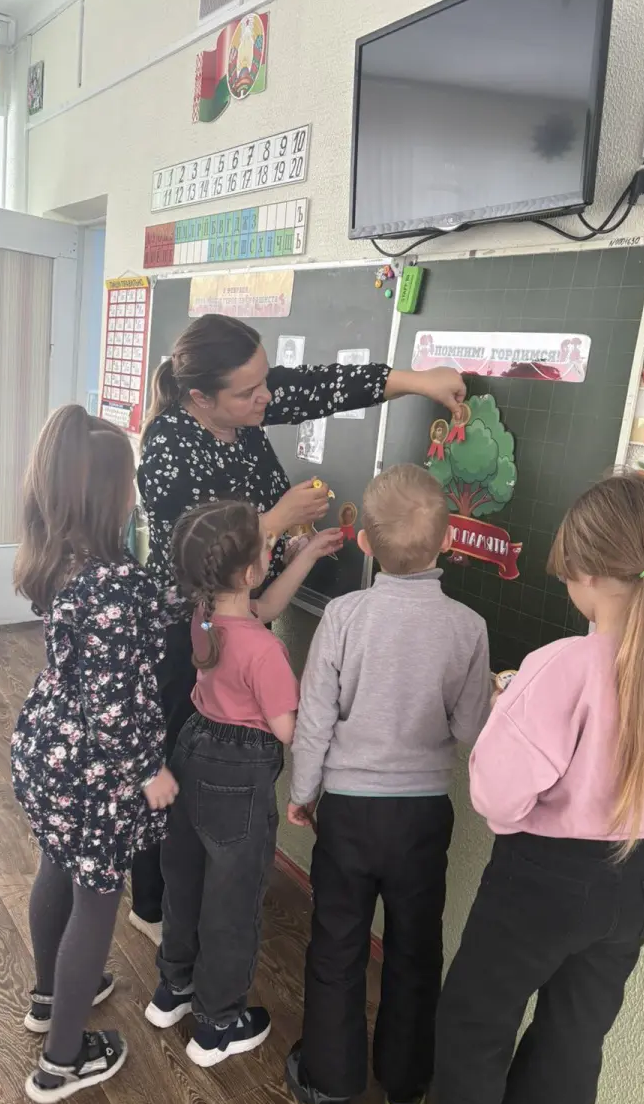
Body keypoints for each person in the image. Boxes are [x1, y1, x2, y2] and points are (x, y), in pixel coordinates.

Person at [416, 472, 644, 1104]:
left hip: (542, 882)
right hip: (638, 877)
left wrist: (507, 710)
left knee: (475, 1030)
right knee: (573, 1044)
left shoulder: (559, 666)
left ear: (584, 572)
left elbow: (498, 797)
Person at [130, 314, 468, 940]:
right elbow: (188, 558)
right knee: (173, 767)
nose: (267, 397)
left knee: (216, 782)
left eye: (266, 381)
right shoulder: (169, 446)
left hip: (241, 623)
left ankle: (203, 895)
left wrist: (419, 382)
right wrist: (274, 520)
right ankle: (155, 906)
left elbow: (323, 386)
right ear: (201, 397)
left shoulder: (244, 412)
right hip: (184, 634)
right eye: (249, 391)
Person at [283, 464, 492, 1104]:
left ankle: (332, 1087)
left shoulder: (344, 616)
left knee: (337, 945)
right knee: (415, 948)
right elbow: (471, 728)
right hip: (422, 815)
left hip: (348, 809)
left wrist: (303, 792)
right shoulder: (469, 627)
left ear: (365, 542)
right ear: (448, 542)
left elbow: (315, 717)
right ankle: (406, 1086)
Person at [11, 405, 179, 1104]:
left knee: (59, 863)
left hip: (47, 750)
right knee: (98, 896)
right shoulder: (114, 583)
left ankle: (50, 996)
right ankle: (62, 1061)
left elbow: (147, 613)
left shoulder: (63, 559)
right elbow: (112, 707)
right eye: (130, 483)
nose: (136, 493)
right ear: (110, 494)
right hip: (94, 768)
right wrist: (150, 771)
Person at [144, 499, 344, 1066]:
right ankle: (217, 1025)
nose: (272, 549)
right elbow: (287, 729)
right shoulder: (264, 649)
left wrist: (306, 555)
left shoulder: (205, 616)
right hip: (239, 773)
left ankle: (174, 988)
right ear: (253, 571)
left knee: (186, 879)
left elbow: (262, 606)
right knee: (232, 901)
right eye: (268, 548)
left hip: (193, 749)